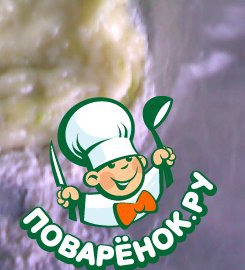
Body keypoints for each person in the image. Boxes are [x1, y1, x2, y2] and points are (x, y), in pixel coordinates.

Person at [56, 97, 176, 228]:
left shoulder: (150, 186)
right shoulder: (99, 208)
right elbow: (79, 208)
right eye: (112, 165)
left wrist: (161, 163)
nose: (124, 168)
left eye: (128, 160)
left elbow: (160, 177)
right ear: (93, 178)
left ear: (141, 161)